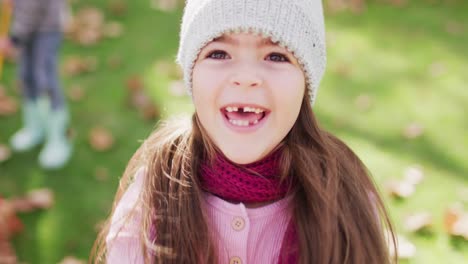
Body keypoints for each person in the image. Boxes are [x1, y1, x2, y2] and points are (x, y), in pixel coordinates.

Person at [93, 0, 396, 263]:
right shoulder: (154, 196)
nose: (246, 77)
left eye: (276, 56)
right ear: (192, 73)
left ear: (305, 82)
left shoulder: (343, 200)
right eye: (219, 53)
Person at [0, 0, 71, 169]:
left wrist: (14, 39)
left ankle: (58, 139)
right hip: (28, 24)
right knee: (27, 76)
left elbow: (31, 8)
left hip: (47, 27)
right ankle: (34, 128)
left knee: (45, 80)